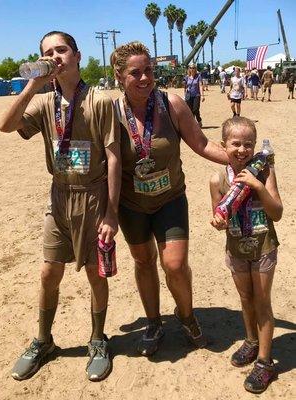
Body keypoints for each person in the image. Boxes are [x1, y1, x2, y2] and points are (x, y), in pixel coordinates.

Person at [0, 31, 121, 382]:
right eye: (48, 52)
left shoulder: (99, 101)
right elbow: (5, 126)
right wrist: (31, 86)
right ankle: (44, 340)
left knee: (97, 276)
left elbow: (113, 160)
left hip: (93, 197)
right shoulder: (43, 103)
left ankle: (98, 339)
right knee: (49, 273)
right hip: (60, 196)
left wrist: (111, 213)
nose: (55, 56)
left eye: (61, 50)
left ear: (77, 55)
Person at [110, 41, 228, 357]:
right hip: (131, 205)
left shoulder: (171, 104)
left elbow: (202, 143)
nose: (145, 78)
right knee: (144, 261)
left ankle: (186, 315)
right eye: (136, 72)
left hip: (170, 200)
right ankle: (152, 322)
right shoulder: (111, 113)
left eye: (149, 70)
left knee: (174, 265)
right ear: (119, 75)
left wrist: (237, 158)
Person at [209, 117, 283, 394]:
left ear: (255, 147)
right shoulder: (217, 179)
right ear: (223, 145)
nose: (242, 150)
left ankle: (265, 363)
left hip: (263, 246)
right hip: (237, 248)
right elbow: (220, 217)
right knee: (245, 298)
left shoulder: (264, 171)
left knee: (262, 302)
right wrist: (218, 221)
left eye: (248, 145)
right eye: (235, 144)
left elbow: (277, 212)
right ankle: (251, 341)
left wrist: (259, 186)